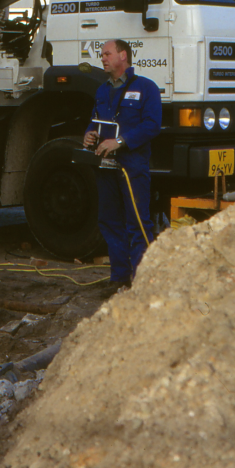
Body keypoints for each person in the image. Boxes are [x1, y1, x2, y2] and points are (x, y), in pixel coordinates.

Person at [83, 39, 162, 293]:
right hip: (105, 167)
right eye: (101, 55)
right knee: (109, 221)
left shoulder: (146, 88)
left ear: (123, 56)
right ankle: (119, 279)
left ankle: (143, 282)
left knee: (137, 223)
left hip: (131, 165)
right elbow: (95, 123)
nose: (102, 58)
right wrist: (89, 135)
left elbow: (152, 125)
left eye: (107, 53)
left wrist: (120, 142)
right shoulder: (102, 91)